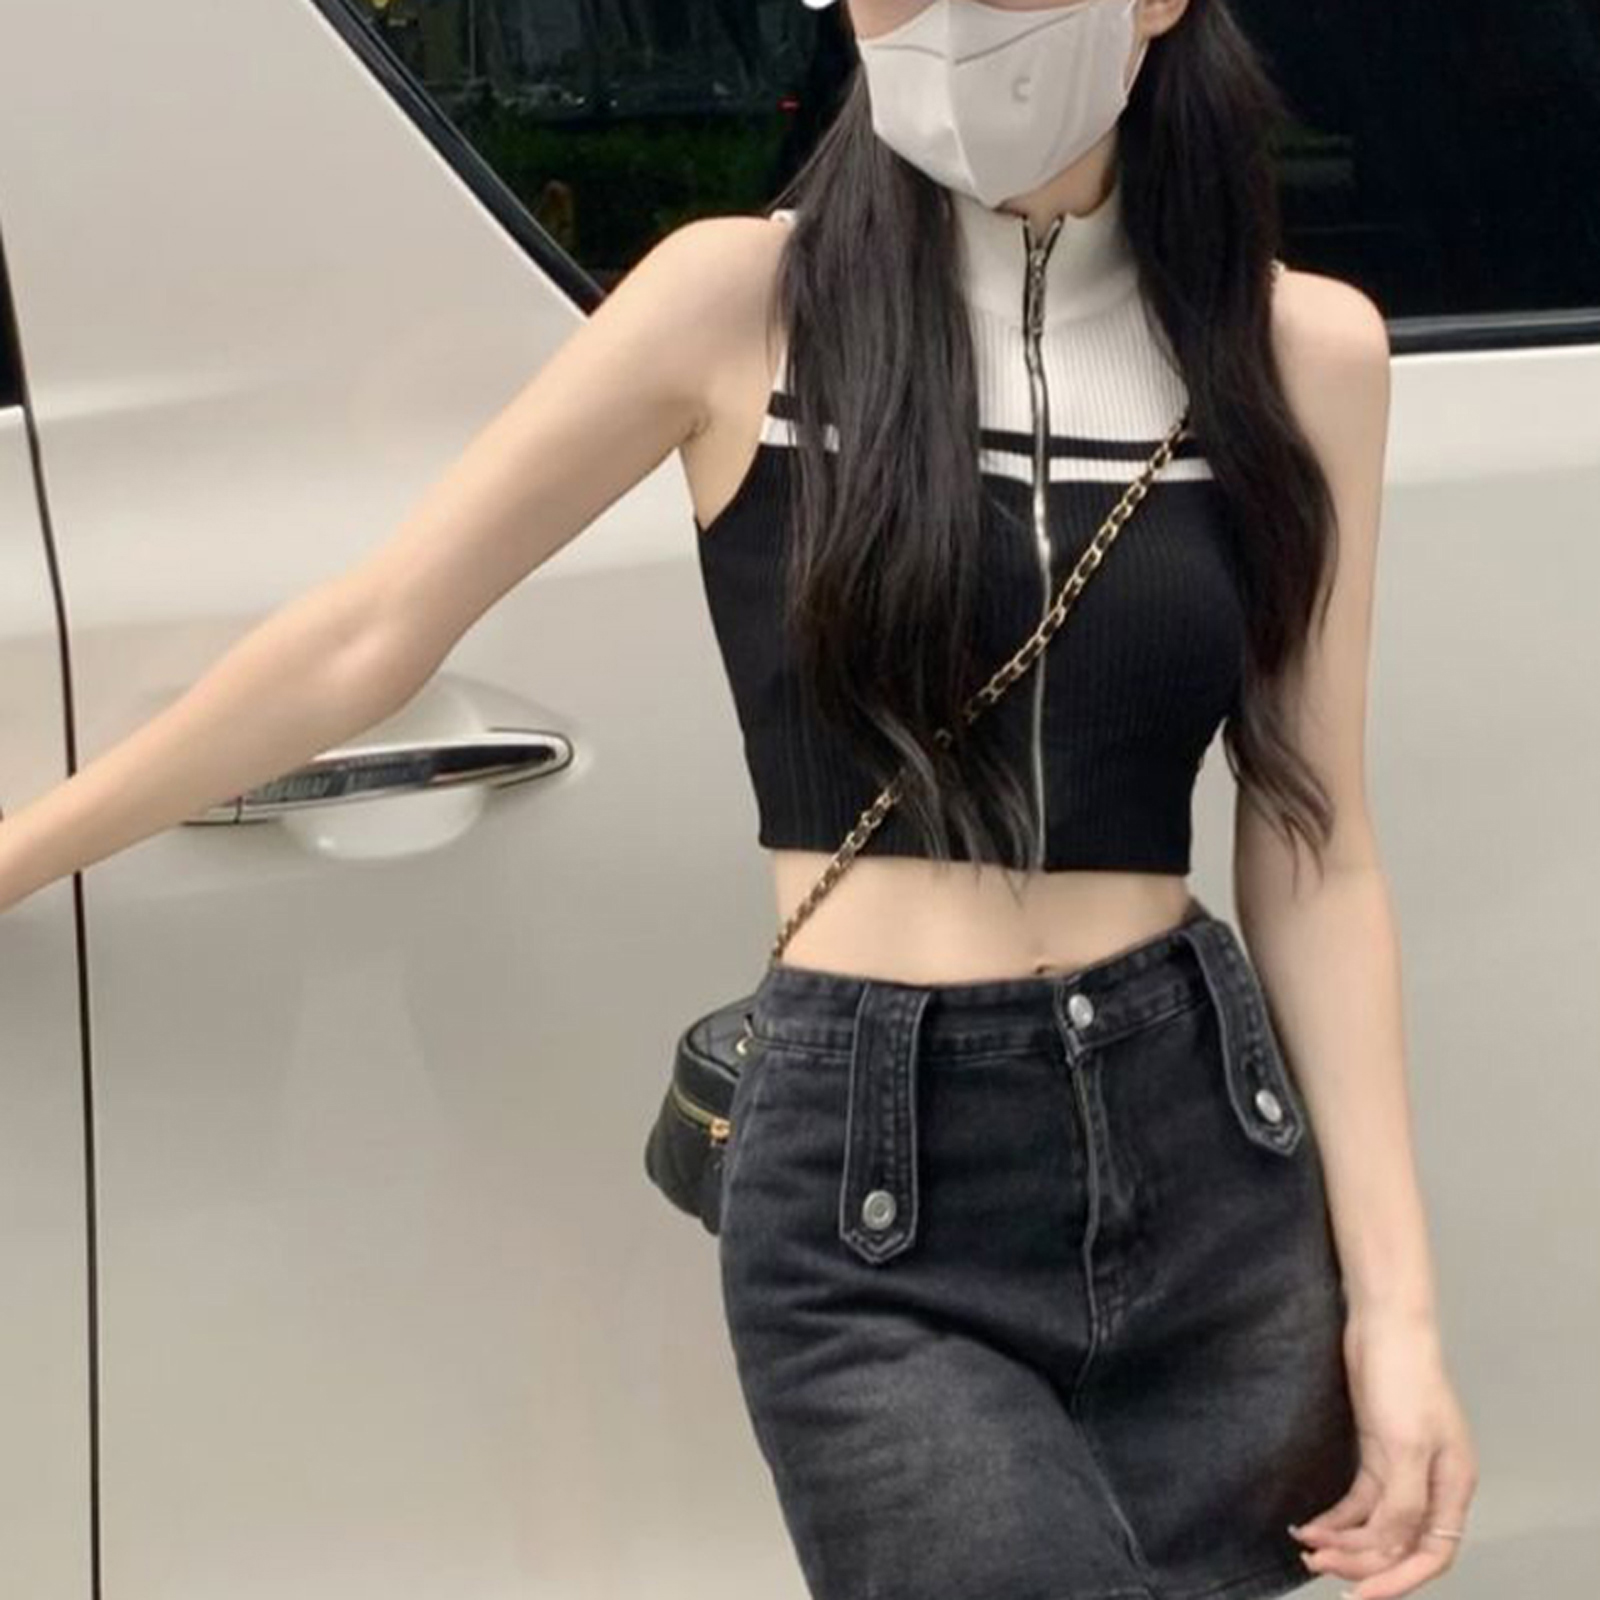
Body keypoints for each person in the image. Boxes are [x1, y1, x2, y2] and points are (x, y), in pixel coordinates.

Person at [0, 1, 1476, 1598]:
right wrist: (22, 852)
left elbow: (1315, 843)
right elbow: (370, 634)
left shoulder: (1302, 356)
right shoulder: (741, 301)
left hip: (1206, 1161)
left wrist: (1396, 1317)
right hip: (882, 1192)